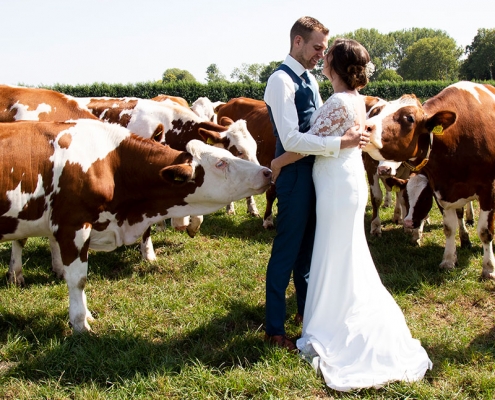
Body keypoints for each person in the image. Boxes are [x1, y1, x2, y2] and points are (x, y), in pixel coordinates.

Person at [271, 38, 432, 391]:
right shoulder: (359, 102)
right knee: (345, 253)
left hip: (336, 186)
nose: (321, 59)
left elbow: (303, 144)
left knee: (334, 251)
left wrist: (278, 162)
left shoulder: (338, 102)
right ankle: (338, 312)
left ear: (334, 66)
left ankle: (333, 324)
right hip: (347, 182)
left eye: (325, 55)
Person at [264, 17, 366, 351]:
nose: (321, 55)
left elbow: (321, 122)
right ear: (297, 41)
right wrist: (341, 144)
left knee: (308, 254)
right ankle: (274, 329)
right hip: (294, 177)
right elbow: (292, 136)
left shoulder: (309, 78)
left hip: (316, 174)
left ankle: (308, 316)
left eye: (325, 49)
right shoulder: (281, 81)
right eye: (317, 47)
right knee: (287, 251)